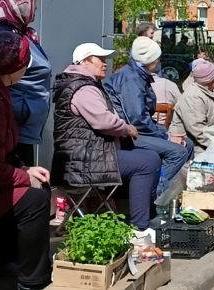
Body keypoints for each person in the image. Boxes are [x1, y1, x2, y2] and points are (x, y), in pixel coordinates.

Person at [50, 43, 161, 231]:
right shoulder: (83, 88)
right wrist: (127, 129)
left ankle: (143, 219)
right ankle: (139, 228)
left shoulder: (82, 84)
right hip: (82, 162)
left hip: (86, 157)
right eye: (100, 59)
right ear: (84, 62)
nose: (104, 64)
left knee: (149, 157)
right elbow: (104, 122)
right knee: (147, 163)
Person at [0, 31, 52, 290]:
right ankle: (32, 280)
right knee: (35, 199)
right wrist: (24, 176)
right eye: (25, 62)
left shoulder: (3, 91)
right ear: (14, 66)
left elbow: (3, 155)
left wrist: (26, 168)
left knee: (41, 186)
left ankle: (6, 261)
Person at [104, 37, 193, 196]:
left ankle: (180, 193)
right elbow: (136, 120)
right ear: (150, 60)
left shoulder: (137, 75)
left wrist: (166, 134)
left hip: (137, 130)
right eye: (157, 59)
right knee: (178, 151)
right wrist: (166, 136)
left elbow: (141, 116)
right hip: (127, 134)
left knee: (188, 144)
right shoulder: (131, 80)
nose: (159, 62)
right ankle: (155, 196)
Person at [0, 0, 52, 167]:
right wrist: (23, 111)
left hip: (24, 125)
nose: (34, 9)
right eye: (32, 2)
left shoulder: (25, 34)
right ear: (20, 4)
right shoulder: (8, 37)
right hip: (16, 125)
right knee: (24, 178)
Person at [170, 60, 214, 155]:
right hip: (194, 148)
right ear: (209, 79)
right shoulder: (194, 97)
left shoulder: (208, 92)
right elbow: (198, 130)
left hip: (207, 144)